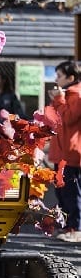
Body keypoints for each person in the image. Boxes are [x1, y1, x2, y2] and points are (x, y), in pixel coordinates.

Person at [47, 60, 81, 242]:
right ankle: (68, 227)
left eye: (59, 76)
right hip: (61, 151)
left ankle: (76, 228)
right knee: (62, 192)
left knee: (71, 193)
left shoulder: (76, 95)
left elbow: (68, 119)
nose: (56, 79)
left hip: (70, 152)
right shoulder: (67, 94)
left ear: (71, 77)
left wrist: (59, 99)